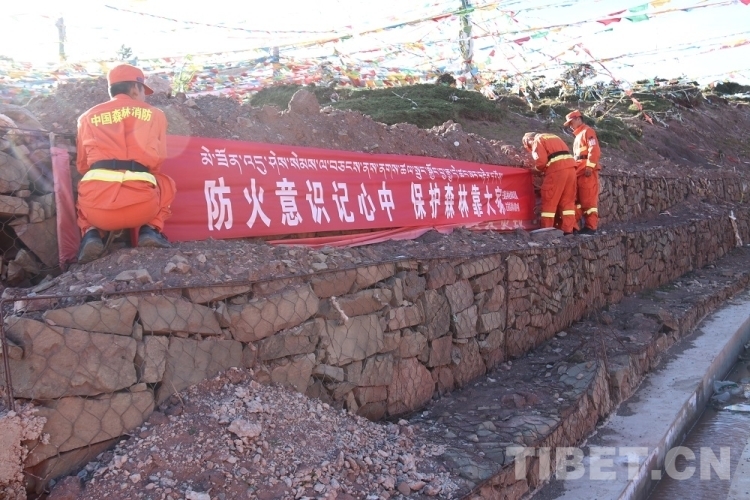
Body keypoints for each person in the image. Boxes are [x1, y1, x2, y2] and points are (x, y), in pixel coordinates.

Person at [75, 63, 176, 263]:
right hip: (142, 208)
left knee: (84, 187)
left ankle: (91, 233)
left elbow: (82, 165)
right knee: (166, 183)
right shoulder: (156, 115)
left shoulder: (86, 117)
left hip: (98, 211)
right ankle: (150, 230)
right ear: (134, 89)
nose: (144, 96)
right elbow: (158, 161)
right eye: (143, 90)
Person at [521, 132, 577, 234]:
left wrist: (536, 170)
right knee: (568, 202)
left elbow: (541, 162)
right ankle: (568, 230)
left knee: (549, 201)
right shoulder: (553, 137)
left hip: (557, 171)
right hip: (572, 170)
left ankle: (546, 231)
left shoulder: (537, 140)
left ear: (529, 140)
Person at [564, 110, 601, 234]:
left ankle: (591, 227)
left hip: (586, 170)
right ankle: (575, 226)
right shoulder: (578, 136)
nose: (570, 126)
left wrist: (590, 166)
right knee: (579, 199)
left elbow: (594, 149)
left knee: (588, 199)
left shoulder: (587, 131)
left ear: (578, 119)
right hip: (579, 170)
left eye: (571, 122)